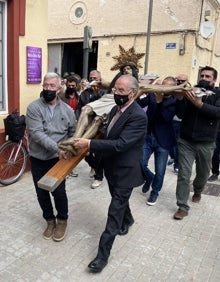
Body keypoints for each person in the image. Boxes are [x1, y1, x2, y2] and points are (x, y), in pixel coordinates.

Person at [73, 75, 147, 272]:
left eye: (121, 91)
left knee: (114, 212)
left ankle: (102, 257)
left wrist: (89, 143)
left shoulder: (138, 116)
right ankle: (129, 219)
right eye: (115, 89)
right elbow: (109, 135)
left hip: (125, 172)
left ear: (132, 93)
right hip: (112, 168)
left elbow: (121, 144)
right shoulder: (116, 108)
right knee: (118, 199)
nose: (116, 93)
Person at [26, 72, 76, 241]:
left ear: (59, 87)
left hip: (58, 160)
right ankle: (49, 220)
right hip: (39, 158)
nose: (48, 89)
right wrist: (57, 148)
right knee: (41, 193)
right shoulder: (34, 108)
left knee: (59, 192)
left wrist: (69, 149)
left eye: (52, 86)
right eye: (45, 85)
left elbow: (73, 133)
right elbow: (37, 134)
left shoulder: (68, 110)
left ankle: (62, 220)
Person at [173, 66, 220, 220]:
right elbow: (180, 113)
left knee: (203, 174)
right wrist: (181, 99)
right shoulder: (190, 92)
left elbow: (217, 113)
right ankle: (182, 206)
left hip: (206, 142)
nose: (204, 79)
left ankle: (198, 190)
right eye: (202, 76)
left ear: (214, 80)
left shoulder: (218, 94)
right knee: (184, 175)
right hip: (186, 141)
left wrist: (200, 104)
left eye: (208, 77)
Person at [137, 76, 177, 205]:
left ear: (173, 89)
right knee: (140, 163)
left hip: (163, 141)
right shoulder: (153, 96)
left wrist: (159, 103)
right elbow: (138, 105)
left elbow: (166, 118)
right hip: (148, 137)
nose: (164, 88)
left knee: (160, 170)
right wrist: (141, 92)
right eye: (163, 85)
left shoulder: (175, 101)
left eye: (168, 86)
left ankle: (155, 192)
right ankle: (150, 178)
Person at [167, 74, 189, 174]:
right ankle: (172, 157)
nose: (180, 82)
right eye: (178, 80)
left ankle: (177, 164)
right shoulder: (173, 91)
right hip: (171, 121)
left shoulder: (189, 92)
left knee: (177, 145)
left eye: (182, 81)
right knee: (171, 143)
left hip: (183, 123)